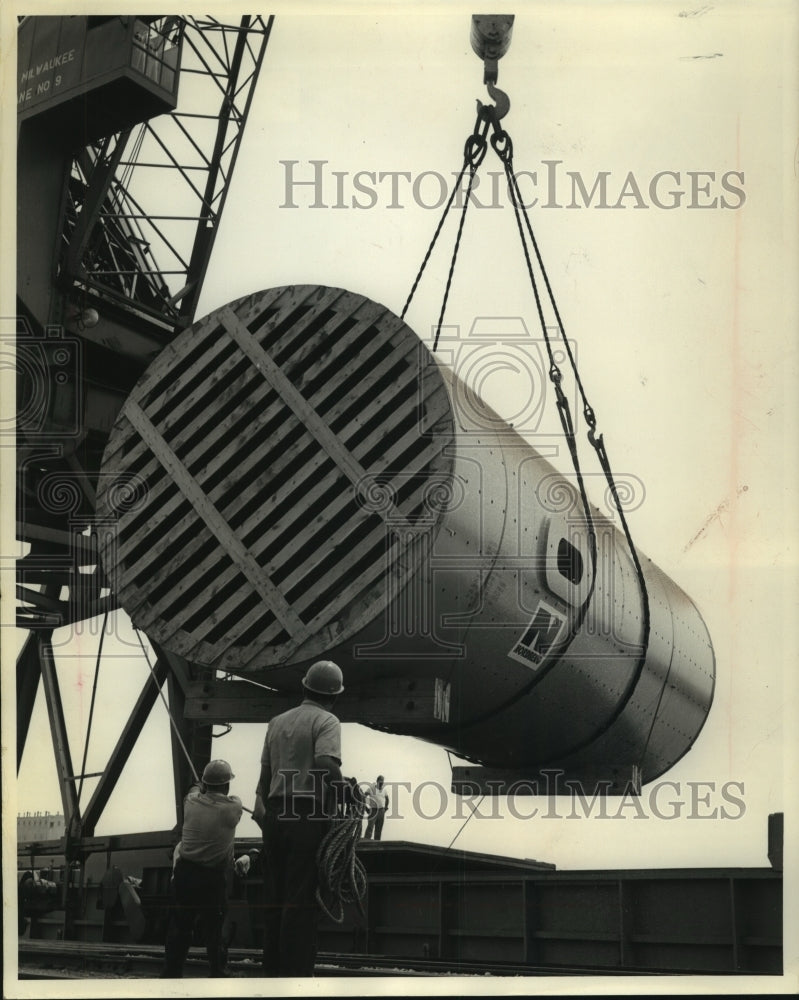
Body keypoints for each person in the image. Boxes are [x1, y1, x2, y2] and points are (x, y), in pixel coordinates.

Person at [253, 659, 345, 978]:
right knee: (299, 899)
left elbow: (264, 776)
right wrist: (347, 790)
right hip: (305, 814)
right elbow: (324, 763)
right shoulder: (327, 720)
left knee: (275, 897)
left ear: (304, 687)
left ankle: (272, 974)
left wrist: (266, 814)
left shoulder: (276, 722)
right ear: (334, 696)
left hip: (276, 814)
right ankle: (296, 979)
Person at [161, 759, 243, 978]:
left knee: (179, 926)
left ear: (206, 784)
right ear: (226, 785)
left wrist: (199, 785)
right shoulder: (232, 808)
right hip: (212, 878)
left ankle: (171, 973)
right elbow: (234, 800)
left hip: (185, 874)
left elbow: (193, 791)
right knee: (214, 930)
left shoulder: (191, 803)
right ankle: (218, 971)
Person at [363, 775, 389, 841]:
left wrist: (385, 808)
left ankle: (377, 844)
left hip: (381, 811)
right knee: (370, 828)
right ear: (377, 781)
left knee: (379, 829)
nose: (381, 783)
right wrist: (366, 808)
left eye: (382, 782)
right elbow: (363, 797)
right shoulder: (371, 789)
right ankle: (365, 842)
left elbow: (387, 799)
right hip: (373, 811)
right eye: (380, 781)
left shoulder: (384, 790)